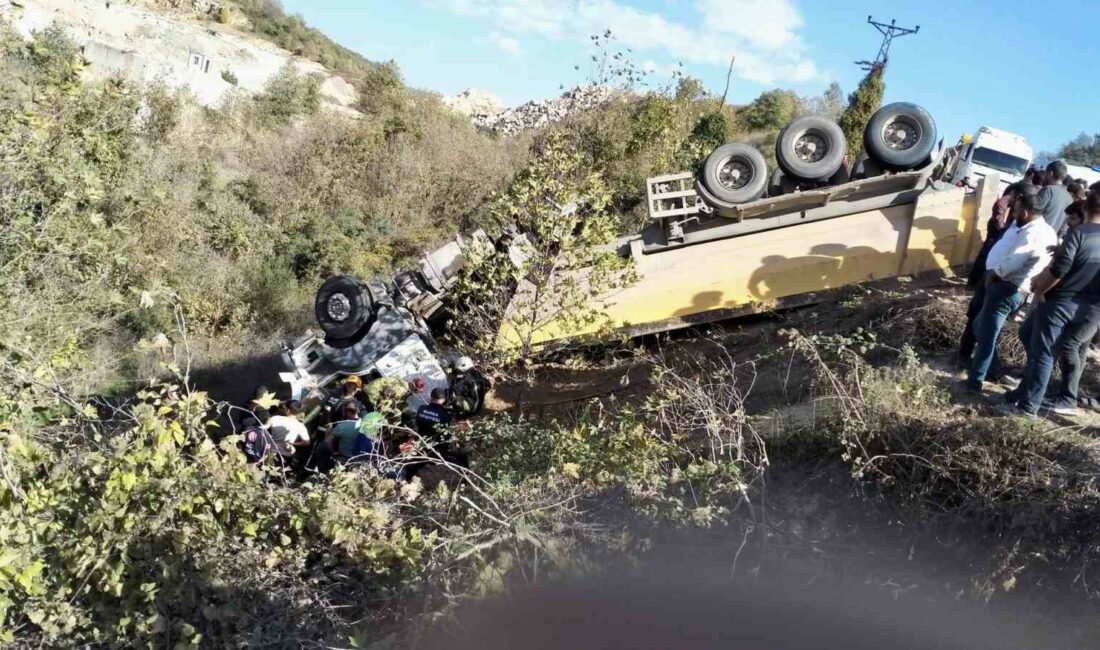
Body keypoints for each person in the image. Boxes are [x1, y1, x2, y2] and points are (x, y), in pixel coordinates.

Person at [1008, 192, 1100, 416]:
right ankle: (1027, 392)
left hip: (1062, 302)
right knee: (1034, 338)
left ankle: (1029, 408)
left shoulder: (1080, 234)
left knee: (1045, 354)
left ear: (1086, 208)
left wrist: (1040, 289)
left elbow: (1060, 269)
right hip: (1092, 309)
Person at [965, 192, 1057, 393]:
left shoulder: (1033, 233)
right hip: (1009, 286)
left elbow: (1015, 262)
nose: (1013, 213)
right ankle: (991, 369)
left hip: (1007, 286)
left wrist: (995, 273)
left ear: (1025, 212)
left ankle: (975, 381)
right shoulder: (1040, 229)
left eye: (1015, 210)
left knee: (987, 335)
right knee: (980, 325)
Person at [1037, 160, 1073, 235]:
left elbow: (1034, 212)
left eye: (1046, 173)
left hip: (1037, 234)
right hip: (1052, 238)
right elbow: (1065, 225)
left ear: (1051, 173)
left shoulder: (1048, 190)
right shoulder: (1069, 198)